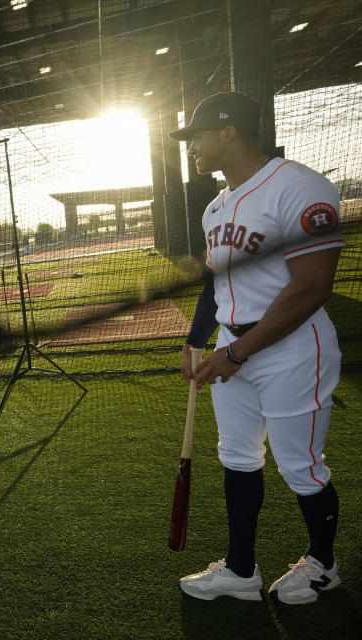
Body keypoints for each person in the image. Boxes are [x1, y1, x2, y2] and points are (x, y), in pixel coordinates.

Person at [170, 92, 344, 604]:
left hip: (292, 347)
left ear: (229, 132)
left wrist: (238, 352)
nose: (192, 148)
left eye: (197, 137)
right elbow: (214, 283)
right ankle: (241, 570)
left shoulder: (300, 186)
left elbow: (312, 287)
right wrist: (196, 340)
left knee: (300, 464)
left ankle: (323, 565)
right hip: (230, 345)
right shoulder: (215, 207)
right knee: (237, 456)